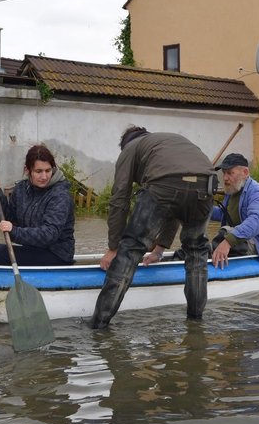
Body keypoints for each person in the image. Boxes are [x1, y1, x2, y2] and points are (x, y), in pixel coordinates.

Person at [90, 126, 214, 329]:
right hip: (205, 185)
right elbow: (173, 208)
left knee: (130, 250)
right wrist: (159, 250)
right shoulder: (171, 140)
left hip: (165, 185)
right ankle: (195, 322)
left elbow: (119, 199)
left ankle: (99, 324)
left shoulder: (130, 149)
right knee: (196, 252)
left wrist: (113, 248)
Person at [0, 144, 75, 266]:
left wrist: (14, 230)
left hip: (57, 254)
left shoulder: (60, 195)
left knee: (1, 254)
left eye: (48, 170)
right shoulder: (21, 189)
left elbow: (49, 234)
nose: (44, 176)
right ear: (27, 170)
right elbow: (10, 222)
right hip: (34, 249)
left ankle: (7, 284)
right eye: (38, 171)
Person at [208, 153, 259, 268]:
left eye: (230, 173)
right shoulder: (232, 190)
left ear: (245, 173)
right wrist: (202, 210)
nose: (225, 178)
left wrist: (228, 242)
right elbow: (223, 214)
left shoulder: (257, 192)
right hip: (242, 240)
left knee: (225, 232)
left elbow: (257, 221)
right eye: (224, 173)